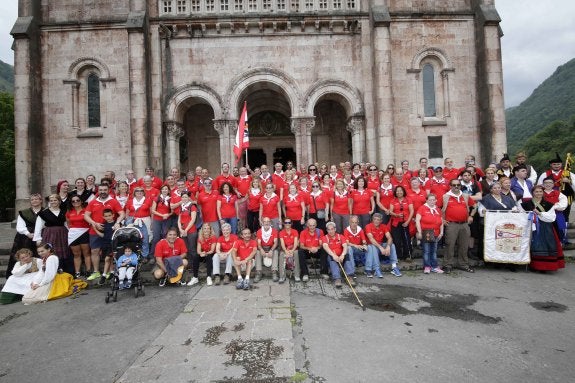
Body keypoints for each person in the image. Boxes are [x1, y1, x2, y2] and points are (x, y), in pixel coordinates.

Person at [84, 183, 125, 281]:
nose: (102, 192)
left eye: (105, 190)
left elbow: (122, 213)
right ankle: (96, 272)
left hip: (110, 231)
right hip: (95, 230)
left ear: (108, 190)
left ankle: (110, 272)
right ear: (98, 191)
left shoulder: (113, 201)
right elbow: (86, 216)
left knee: (110, 252)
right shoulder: (93, 202)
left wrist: (117, 223)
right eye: (101, 190)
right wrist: (94, 224)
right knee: (94, 251)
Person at [521, 185, 565, 272]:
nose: (539, 193)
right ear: (532, 193)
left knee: (543, 246)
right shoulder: (526, 204)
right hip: (530, 227)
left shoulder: (549, 204)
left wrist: (539, 213)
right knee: (530, 244)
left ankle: (543, 266)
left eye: (540, 192)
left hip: (545, 227)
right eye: (536, 192)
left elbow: (552, 217)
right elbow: (522, 215)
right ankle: (531, 264)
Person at [442, 179, 476, 273]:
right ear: (450, 186)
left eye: (458, 185)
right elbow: (437, 208)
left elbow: (475, 206)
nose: (456, 187)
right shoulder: (445, 197)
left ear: (460, 186)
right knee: (450, 245)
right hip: (451, 224)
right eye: (454, 185)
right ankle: (447, 265)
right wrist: (442, 219)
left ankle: (463, 264)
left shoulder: (465, 196)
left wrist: (471, 216)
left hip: (464, 224)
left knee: (464, 245)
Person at [33, 194, 72, 274]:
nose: (53, 202)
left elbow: (66, 224)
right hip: (49, 234)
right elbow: (38, 226)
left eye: (55, 200)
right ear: (49, 202)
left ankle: (62, 271)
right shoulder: (44, 213)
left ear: (59, 201)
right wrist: (38, 238)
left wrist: (71, 235)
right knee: (50, 252)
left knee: (63, 253)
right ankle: (49, 272)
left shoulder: (64, 211)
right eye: (51, 201)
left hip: (62, 234)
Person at [7, 193, 42, 278]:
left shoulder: (45, 212)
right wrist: (27, 233)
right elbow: (20, 226)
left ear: (41, 200)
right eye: (32, 199)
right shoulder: (24, 212)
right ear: (30, 201)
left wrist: (38, 236)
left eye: (36, 199)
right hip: (25, 238)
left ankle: (38, 275)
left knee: (39, 255)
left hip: (41, 236)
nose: (34, 201)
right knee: (24, 255)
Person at [365, 213, 401, 277]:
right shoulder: (368, 226)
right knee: (372, 247)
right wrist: (381, 248)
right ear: (372, 220)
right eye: (374, 219)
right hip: (372, 246)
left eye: (378, 220)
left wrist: (388, 246)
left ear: (381, 221)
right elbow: (371, 239)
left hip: (380, 245)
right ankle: (377, 268)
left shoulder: (384, 226)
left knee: (392, 245)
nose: (376, 221)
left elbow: (389, 238)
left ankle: (394, 267)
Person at [415, 194, 444, 274]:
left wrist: (441, 232)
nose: (432, 201)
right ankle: (427, 266)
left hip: (436, 233)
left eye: (433, 200)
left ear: (435, 200)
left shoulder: (438, 209)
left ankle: (434, 266)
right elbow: (417, 220)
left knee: (434, 251)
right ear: (427, 200)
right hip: (426, 233)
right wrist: (419, 232)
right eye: (430, 200)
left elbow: (441, 221)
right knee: (426, 251)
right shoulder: (422, 208)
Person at [174, 192, 199, 286]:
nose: (184, 198)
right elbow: (179, 219)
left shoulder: (192, 206)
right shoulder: (182, 206)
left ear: (189, 197)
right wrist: (180, 229)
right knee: (186, 250)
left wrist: (186, 230)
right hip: (183, 231)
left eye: (186, 197)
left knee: (192, 249)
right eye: (183, 197)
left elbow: (193, 219)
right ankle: (189, 266)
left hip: (191, 230)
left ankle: (194, 267)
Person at [125, 187, 153, 262]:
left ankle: (145, 256)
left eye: (141, 191)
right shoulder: (130, 201)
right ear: (134, 192)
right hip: (132, 221)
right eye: (137, 191)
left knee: (145, 239)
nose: (139, 192)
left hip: (145, 220)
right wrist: (127, 222)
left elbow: (151, 212)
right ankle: (134, 254)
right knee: (133, 238)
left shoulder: (148, 200)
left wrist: (152, 222)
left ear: (144, 192)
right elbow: (127, 213)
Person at [66, 196, 92, 278]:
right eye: (73, 201)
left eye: (78, 200)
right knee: (76, 254)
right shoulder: (69, 212)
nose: (76, 202)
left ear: (81, 201)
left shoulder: (86, 210)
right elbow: (68, 224)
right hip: (73, 234)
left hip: (85, 233)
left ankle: (88, 271)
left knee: (86, 253)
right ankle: (77, 272)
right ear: (71, 203)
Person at [322, 221, 354, 288]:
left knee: (347, 255)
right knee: (331, 257)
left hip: (341, 255)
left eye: (332, 229)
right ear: (327, 230)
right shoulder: (325, 237)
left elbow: (345, 246)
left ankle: (349, 276)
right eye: (329, 229)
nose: (331, 231)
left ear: (335, 229)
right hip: (332, 256)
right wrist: (334, 256)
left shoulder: (340, 236)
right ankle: (337, 278)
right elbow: (325, 247)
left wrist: (342, 255)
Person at [388, 186, 414, 261]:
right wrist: (396, 215)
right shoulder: (393, 200)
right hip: (395, 222)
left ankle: (408, 256)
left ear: (403, 191)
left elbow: (411, 211)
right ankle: (398, 256)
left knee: (406, 239)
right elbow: (390, 211)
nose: (399, 192)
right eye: (397, 191)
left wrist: (407, 222)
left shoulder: (408, 199)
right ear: (395, 192)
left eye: (401, 190)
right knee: (396, 240)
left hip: (406, 221)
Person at [94, 209, 118, 284]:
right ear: (103, 217)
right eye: (106, 216)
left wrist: (117, 227)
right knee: (109, 259)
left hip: (114, 244)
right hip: (106, 244)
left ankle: (103, 276)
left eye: (109, 215)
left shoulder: (116, 224)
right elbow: (103, 235)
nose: (108, 217)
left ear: (113, 215)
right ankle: (112, 272)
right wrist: (95, 229)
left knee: (107, 259)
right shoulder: (104, 224)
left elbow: (119, 232)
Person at [255, 217, 279, 283]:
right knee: (257, 252)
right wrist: (261, 249)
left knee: (276, 251)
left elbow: (276, 243)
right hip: (263, 248)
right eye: (265, 221)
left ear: (270, 223)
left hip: (271, 248)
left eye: (268, 221)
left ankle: (274, 272)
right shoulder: (259, 231)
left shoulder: (274, 231)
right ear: (262, 223)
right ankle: (258, 272)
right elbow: (259, 243)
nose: (266, 223)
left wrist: (271, 250)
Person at [151, 185, 173, 256]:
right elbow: (153, 211)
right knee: (156, 237)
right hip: (157, 220)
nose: (164, 190)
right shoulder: (156, 198)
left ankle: (164, 253)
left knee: (165, 236)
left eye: (166, 189)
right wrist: (162, 215)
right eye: (163, 189)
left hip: (167, 220)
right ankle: (153, 254)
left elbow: (172, 211)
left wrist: (167, 215)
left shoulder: (170, 199)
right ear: (161, 190)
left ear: (168, 191)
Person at [278, 218, 299, 283]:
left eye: (289, 222)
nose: (287, 224)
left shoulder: (295, 231)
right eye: (286, 222)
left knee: (296, 253)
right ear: (284, 224)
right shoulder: (281, 232)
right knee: (281, 254)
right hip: (285, 249)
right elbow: (282, 243)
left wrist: (292, 250)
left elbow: (296, 243)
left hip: (293, 248)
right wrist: (286, 251)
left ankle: (297, 275)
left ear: (291, 223)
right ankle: (282, 276)